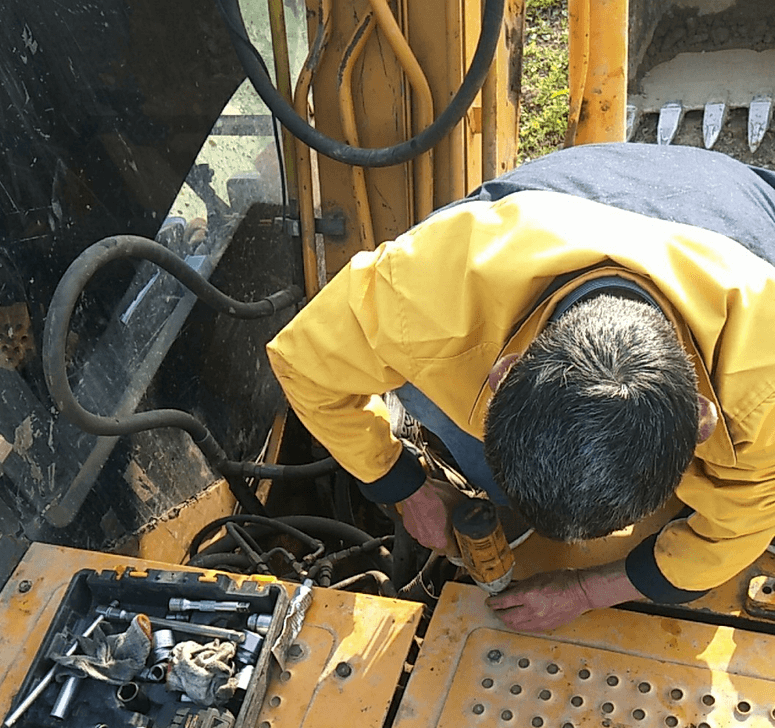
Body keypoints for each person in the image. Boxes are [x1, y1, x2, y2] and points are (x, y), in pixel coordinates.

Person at [266, 142, 775, 632]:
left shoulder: (765, 385)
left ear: (702, 420)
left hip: (739, 214)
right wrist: (405, 486)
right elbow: (304, 361)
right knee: (417, 379)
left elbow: (740, 529)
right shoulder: (430, 291)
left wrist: (586, 590)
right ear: (502, 372)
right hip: (557, 202)